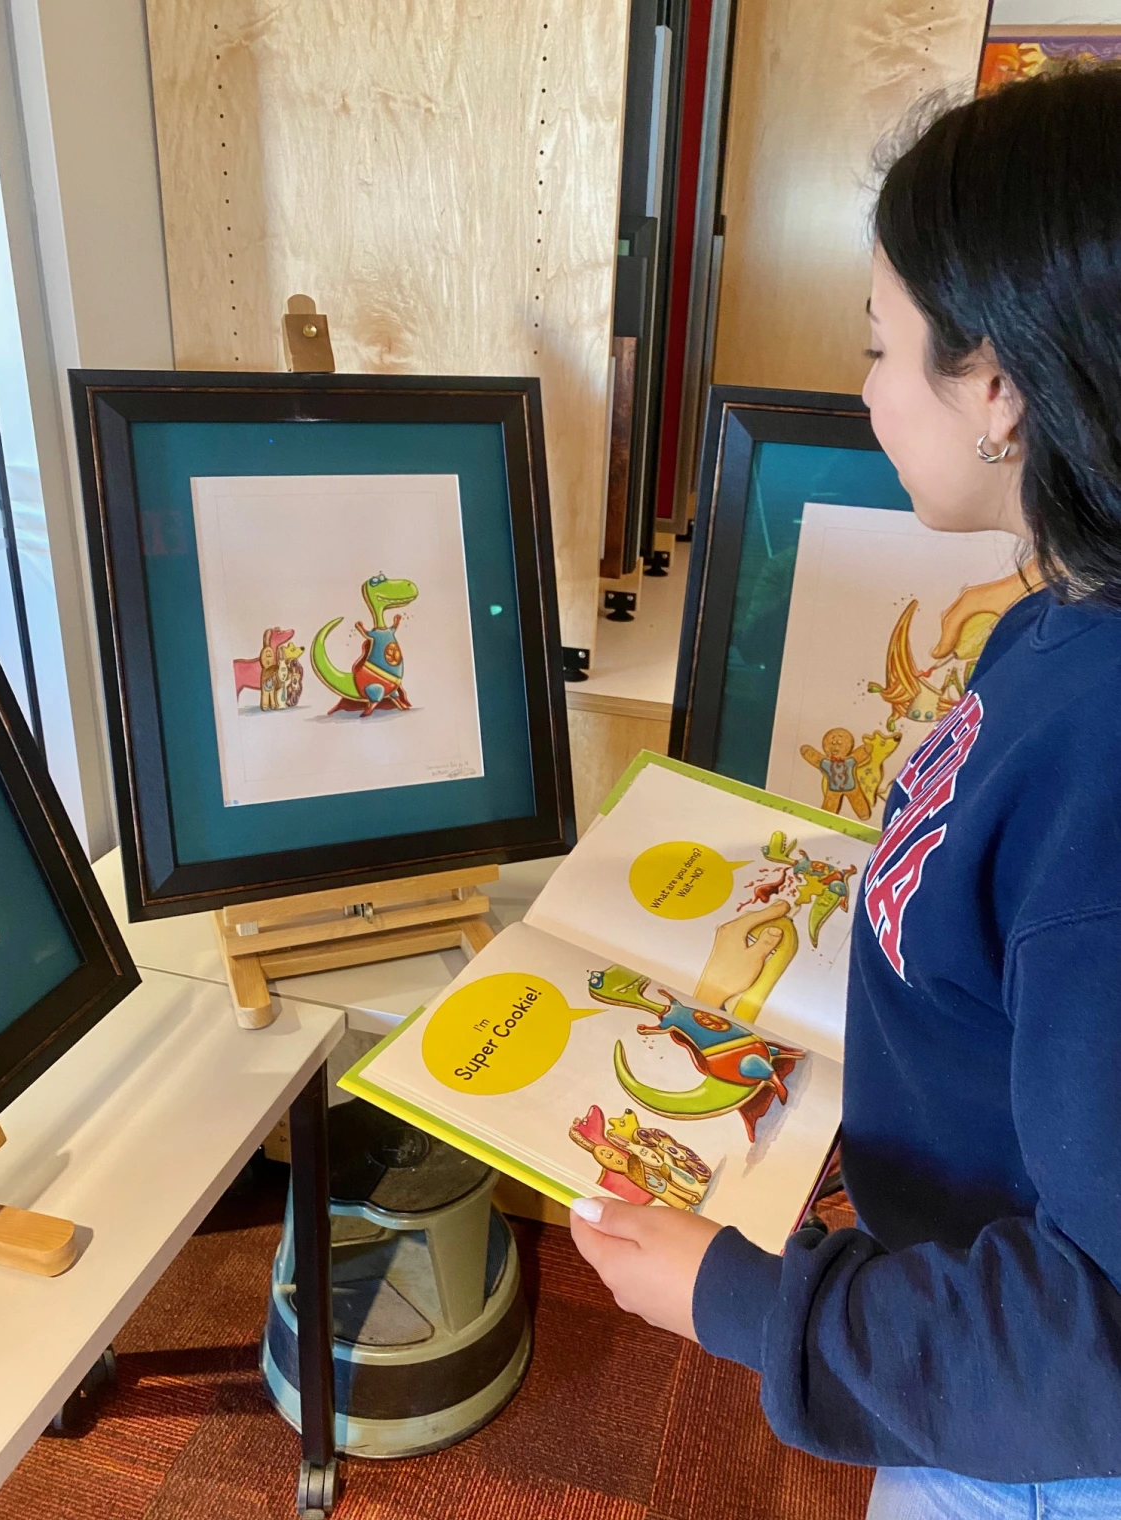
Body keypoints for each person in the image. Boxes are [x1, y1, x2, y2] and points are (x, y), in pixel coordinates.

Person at [569, 66, 1121, 1520]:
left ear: (998, 386)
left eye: (882, 345)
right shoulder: (1054, 616)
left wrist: (751, 1306)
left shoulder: (1106, 771)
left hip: (1036, 1459)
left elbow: (1099, 1334)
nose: (868, 386)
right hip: (952, 1305)